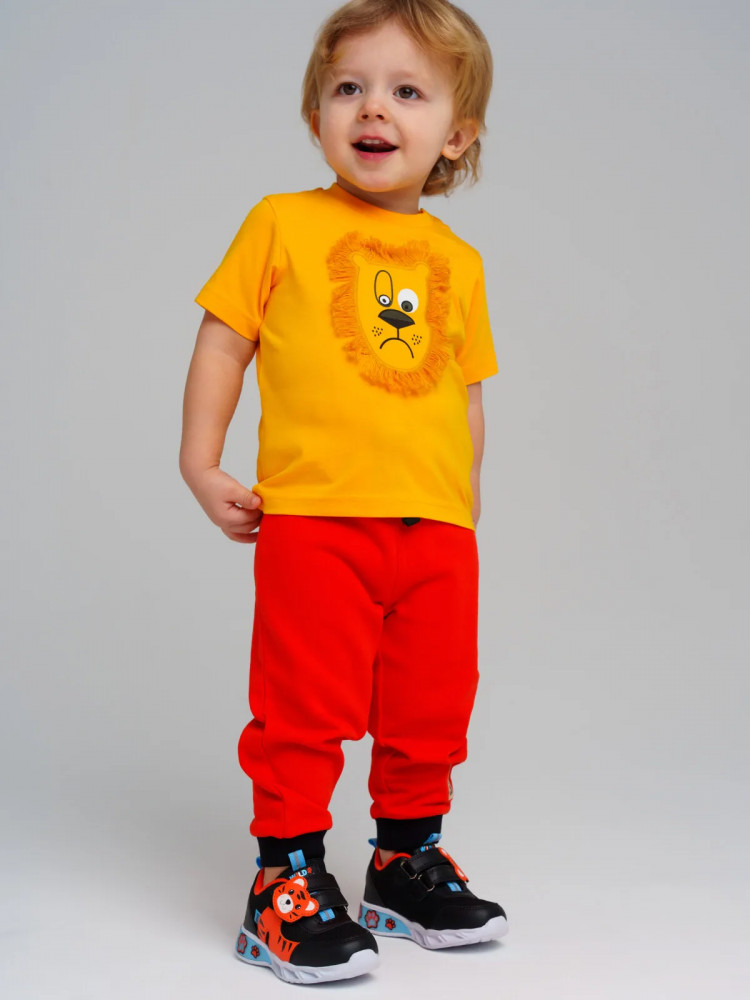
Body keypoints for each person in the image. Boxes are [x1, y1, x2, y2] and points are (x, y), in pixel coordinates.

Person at [180, 0, 508, 985]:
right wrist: (201, 460)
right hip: (316, 518)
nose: (374, 108)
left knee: (432, 706)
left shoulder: (460, 262)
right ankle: (283, 879)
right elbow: (224, 341)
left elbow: (466, 392)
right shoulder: (282, 223)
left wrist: (463, 503)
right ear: (317, 113)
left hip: (435, 529)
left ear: (456, 135)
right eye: (349, 88)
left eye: (408, 91)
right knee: (303, 706)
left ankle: (404, 863)